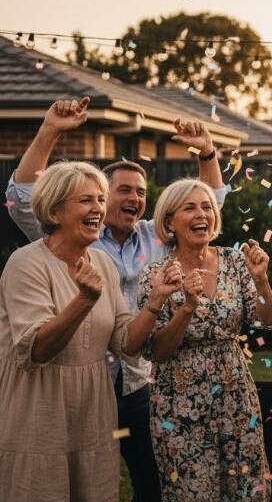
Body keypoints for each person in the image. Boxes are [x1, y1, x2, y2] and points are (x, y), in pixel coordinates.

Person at [5, 97, 227, 501]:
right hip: (46, 398)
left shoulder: (149, 240)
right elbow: (22, 194)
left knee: (144, 482)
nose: (130, 199)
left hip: (128, 388)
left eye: (139, 192)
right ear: (56, 211)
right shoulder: (35, 257)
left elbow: (209, 205)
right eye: (115, 192)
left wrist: (207, 152)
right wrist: (51, 129)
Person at [0, 161, 156, 501]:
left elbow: (126, 342)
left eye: (101, 199)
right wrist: (84, 300)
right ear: (55, 212)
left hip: (93, 410)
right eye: (86, 200)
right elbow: (36, 349)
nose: (98, 209)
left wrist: (157, 301)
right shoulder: (26, 264)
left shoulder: (101, 264)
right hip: (39, 405)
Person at [124, 178, 272, 500]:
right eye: (190, 207)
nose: (202, 214)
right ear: (170, 221)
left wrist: (261, 281)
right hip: (179, 400)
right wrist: (187, 309)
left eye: (207, 206)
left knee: (248, 488)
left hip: (235, 392)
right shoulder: (157, 274)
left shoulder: (235, 261)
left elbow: (267, 320)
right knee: (192, 491)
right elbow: (158, 352)